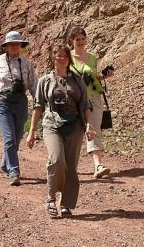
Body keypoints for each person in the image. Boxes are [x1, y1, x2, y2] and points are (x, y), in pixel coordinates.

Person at [26, 43, 94, 217]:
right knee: (57, 160)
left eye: (64, 55)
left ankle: (66, 204)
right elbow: (38, 106)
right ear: (52, 58)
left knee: (71, 166)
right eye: (58, 55)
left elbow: (85, 104)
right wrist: (32, 131)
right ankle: (51, 197)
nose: (61, 58)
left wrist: (89, 125)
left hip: (75, 126)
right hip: (51, 124)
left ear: (68, 58)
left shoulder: (77, 80)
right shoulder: (44, 80)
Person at [0, 31, 38, 186]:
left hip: (21, 102)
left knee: (18, 136)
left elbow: (34, 84)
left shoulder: (27, 63)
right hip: (3, 103)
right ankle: (14, 171)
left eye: (17, 43)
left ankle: (4, 164)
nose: (14, 46)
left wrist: (39, 101)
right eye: (11, 44)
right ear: (6, 46)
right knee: (9, 138)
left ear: (21, 45)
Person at [68, 27, 115, 179]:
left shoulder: (92, 58)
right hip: (74, 99)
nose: (81, 42)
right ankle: (69, 164)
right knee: (74, 132)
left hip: (94, 97)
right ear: (71, 41)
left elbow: (93, 77)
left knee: (93, 129)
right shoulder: (66, 57)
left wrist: (104, 76)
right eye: (77, 39)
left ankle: (97, 165)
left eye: (83, 39)